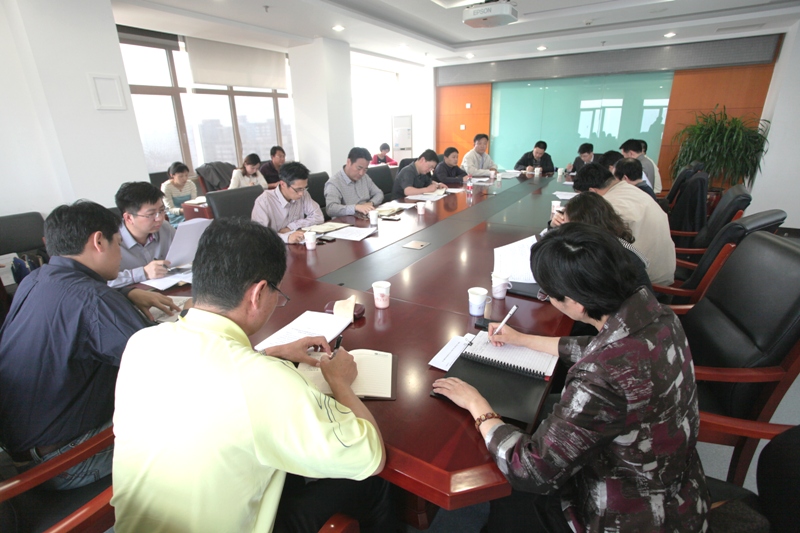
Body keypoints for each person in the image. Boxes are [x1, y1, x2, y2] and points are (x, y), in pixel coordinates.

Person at [111, 218, 393, 533]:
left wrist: (270, 353)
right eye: (277, 292)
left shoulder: (142, 343)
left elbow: (212, 380)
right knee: (374, 483)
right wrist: (340, 383)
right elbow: (371, 457)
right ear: (258, 293)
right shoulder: (264, 380)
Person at [433, 223, 708, 533]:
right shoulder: (657, 315)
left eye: (548, 294)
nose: (546, 297)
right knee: (538, 410)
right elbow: (599, 347)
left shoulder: (602, 376)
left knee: (494, 476)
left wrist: (477, 405)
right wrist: (522, 339)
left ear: (577, 303)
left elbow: (531, 470)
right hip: (677, 486)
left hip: (628, 514)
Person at [0, 201, 179, 490]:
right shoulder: (94, 299)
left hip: (19, 451)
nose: (120, 254)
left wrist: (125, 294)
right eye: (118, 243)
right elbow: (164, 363)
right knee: (193, 411)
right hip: (65, 462)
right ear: (98, 241)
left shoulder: (35, 279)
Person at [570, 163, 675, 285]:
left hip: (646, 283)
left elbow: (588, 242)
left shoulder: (608, 205)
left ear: (592, 192)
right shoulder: (630, 189)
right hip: (662, 270)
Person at [562, 192, 651, 293]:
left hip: (630, 301)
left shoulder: (602, 255)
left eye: (566, 224)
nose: (564, 228)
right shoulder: (613, 242)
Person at [109, 181, 176, 288]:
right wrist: (143, 273)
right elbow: (101, 282)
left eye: (162, 210)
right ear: (129, 218)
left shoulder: (165, 228)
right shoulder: (109, 241)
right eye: (151, 214)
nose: (159, 218)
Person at [252, 161, 324, 244]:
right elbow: (259, 235)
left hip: (298, 245)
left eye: (304, 188)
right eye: (298, 189)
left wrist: (291, 227)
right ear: (283, 184)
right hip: (274, 247)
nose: (301, 193)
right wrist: (287, 238)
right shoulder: (264, 201)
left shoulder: (303, 193)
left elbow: (318, 217)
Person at [324, 147, 385, 218]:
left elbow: (379, 193)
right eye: (359, 168)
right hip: (346, 221)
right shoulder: (334, 183)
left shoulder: (365, 177)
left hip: (365, 218)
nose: (361, 173)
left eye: (365, 169)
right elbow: (331, 209)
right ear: (348, 162)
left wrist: (370, 203)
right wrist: (355, 207)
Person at [162, 161, 197, 227]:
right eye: (181, 176)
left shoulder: (190, 184)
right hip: (175, 215)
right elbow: (170, 208)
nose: (184, 178)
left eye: (186, 175)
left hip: (189, 212)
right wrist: (184, 211)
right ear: (172, 175)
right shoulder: (166, 187)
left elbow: (194, 202)